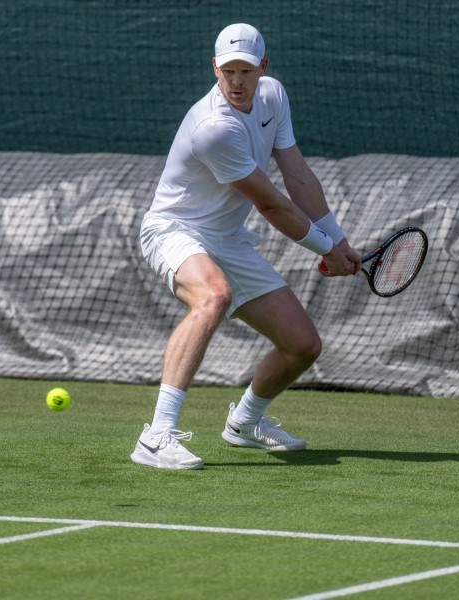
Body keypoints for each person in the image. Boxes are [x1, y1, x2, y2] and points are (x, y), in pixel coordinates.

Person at [131, 23, 361, 470]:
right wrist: (325, 249)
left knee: (303, 345)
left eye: (247, 71)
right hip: (174, 230)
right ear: (215, 69)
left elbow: (296, 175)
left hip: (227, 240)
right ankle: (156, 436)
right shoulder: (214, 129)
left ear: (263, 69)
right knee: (213, 295)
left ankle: (245, 423)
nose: (237, 81)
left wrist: (339, 241)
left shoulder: (273, 96)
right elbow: (272, 204)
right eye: (229, 71)